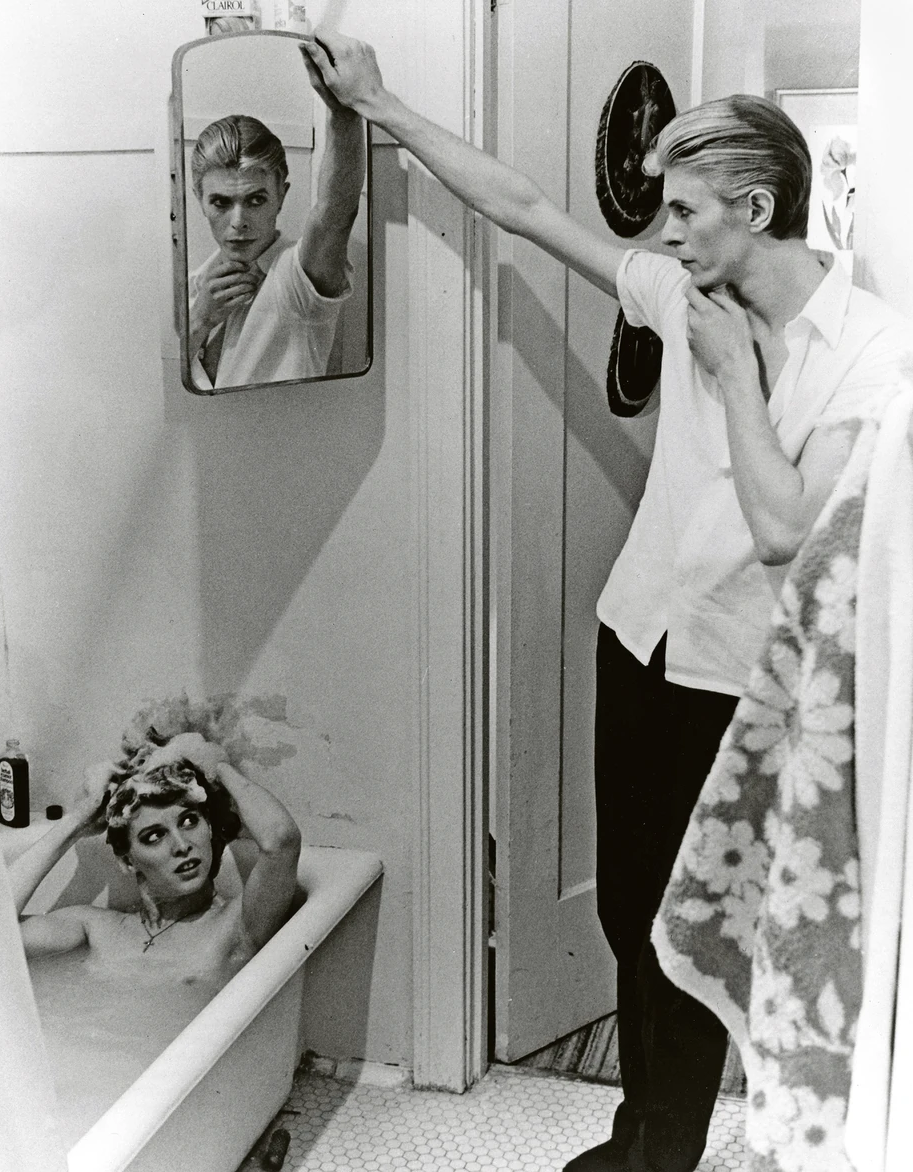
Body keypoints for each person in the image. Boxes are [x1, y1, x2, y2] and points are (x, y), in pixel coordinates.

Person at [299, 30, 913, 1172]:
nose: (663, 234)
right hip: (637, 637)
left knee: (705, 923)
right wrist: (381, 107)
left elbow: (785, 528)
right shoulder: (683, 289)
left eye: (684, 210)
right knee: (627, 909)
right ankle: (641, 1132)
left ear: (758, 206)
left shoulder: (875, 353)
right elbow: (526, 207)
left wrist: (735, 379)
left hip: (744, 679)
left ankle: (665, 1150)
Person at [12, 732, 301, 986]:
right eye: (154, 836)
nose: (181, 846)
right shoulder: (95, 929)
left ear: (209, 828)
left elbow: (281, 838)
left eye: (189, 821)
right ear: (127, 861)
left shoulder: (237, 925)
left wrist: (215, 767)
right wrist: (78, 820)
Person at [187, 80, 366, 390]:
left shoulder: (296, 279)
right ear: (199, 200)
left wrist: (344, 112)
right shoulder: (192, 287)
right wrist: (200, 321)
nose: (238, 222)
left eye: (256, 200)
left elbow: (335, 211)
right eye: (221, 203)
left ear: (281, 196)